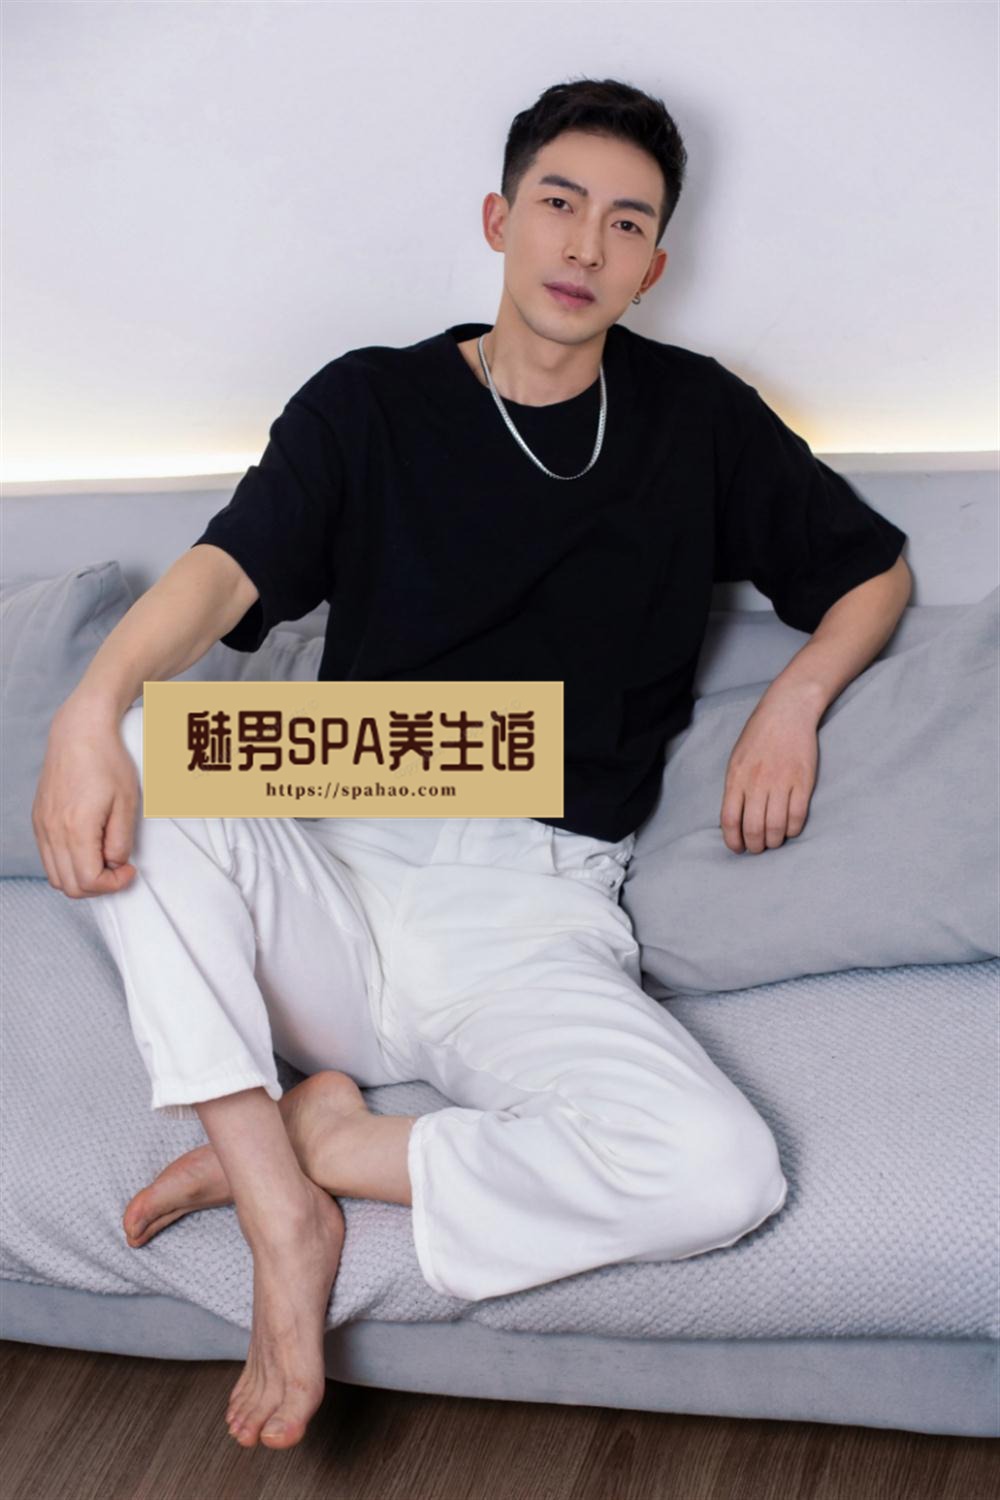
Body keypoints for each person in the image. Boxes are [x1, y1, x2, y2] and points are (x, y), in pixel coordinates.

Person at [32, 77, 911, 1453]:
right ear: (500, 219)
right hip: (351, 798)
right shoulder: (371, 402)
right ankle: (277, 1204)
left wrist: (793, 701)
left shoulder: (695, 418)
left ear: (653, 265)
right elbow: (225, 571)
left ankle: (329, 1146)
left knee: (719, 1170)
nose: (585, 244)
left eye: (627, 224)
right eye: (560, 203)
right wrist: (88, 708)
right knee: (154, 740)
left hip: (534, 891)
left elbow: (871, 571)